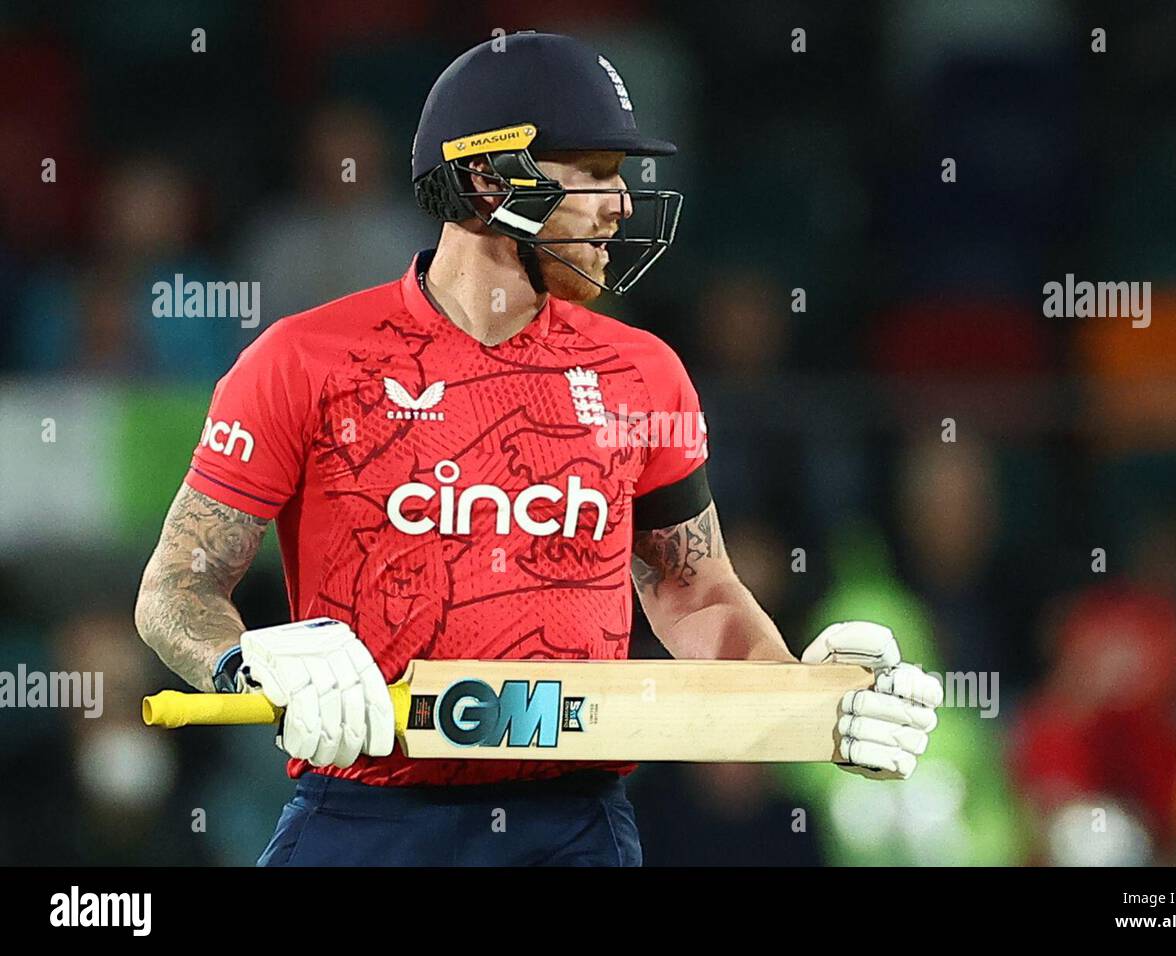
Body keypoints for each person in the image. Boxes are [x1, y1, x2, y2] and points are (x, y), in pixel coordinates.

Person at [134, 31, 941, 866]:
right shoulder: (303, 361)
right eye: (593, 173)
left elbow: (695, 593)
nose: (621, 203)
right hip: (362, 814)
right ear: (488, 177)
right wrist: (242, 661)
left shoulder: (643, 372)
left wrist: (806, 700)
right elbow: (175, 588)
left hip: (571, 826)